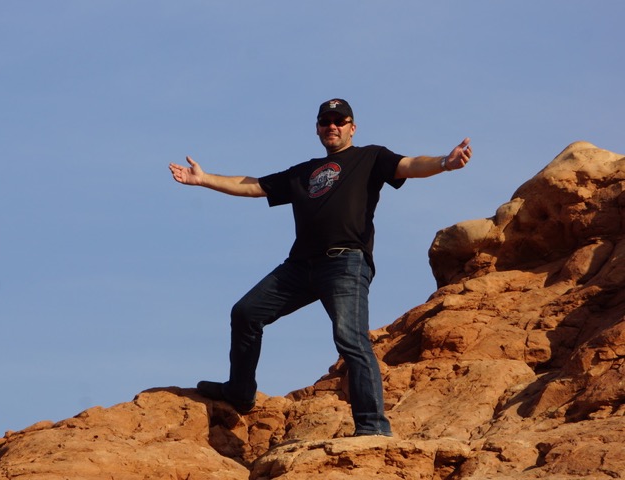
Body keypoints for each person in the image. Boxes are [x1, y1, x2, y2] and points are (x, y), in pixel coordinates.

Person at [168, 98, 472, 436]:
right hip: (299, 266)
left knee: (350, 338)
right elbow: (254, 185)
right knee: (245, 313)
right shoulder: (304, 172)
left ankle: (372, 427)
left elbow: (410, 164)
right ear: (317, 129)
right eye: (326, 121)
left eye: (339, 121)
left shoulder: (369, 158)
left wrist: (445, 162)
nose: (332, 126)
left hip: (346, 262)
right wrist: (205, 178)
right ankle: (240, 392)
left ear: (352, 127)